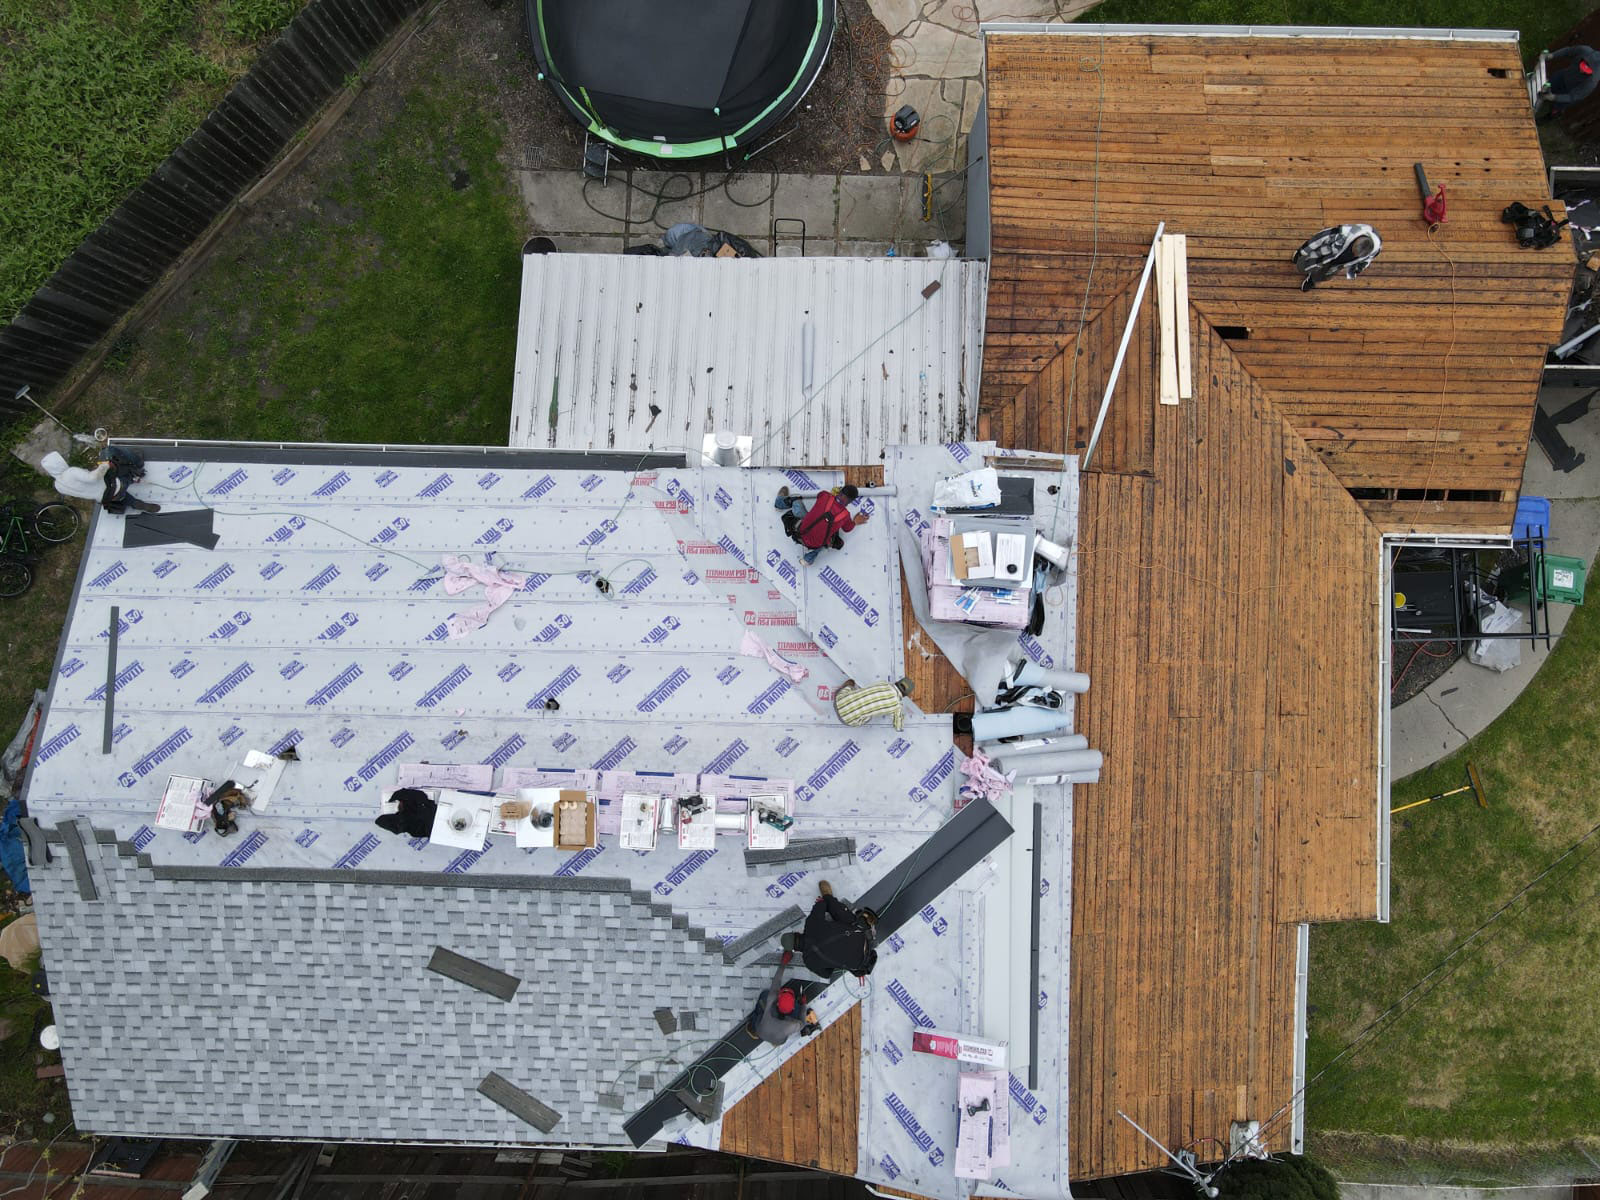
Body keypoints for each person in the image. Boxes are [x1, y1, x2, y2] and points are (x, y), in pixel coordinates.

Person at [782, 880, 878, 980]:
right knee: (837, 912)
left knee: (839, 953)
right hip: (862, 937)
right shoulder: (810, 924)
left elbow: (827, 974)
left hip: (859, 965)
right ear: (796, 933)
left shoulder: (809, 962)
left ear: (795, 949)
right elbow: (822, 904)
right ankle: (828, 895)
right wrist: (821, 902)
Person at [41, 449, 160, 515]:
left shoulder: (58, 486)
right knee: (109, 451)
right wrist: (104, 466)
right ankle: (137, 468)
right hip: (117, 485)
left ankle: (136, 503)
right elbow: (93, 478)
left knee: (119, 495)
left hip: (107, 499)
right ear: (58, 463)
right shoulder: (70, 472)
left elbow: (84, 485)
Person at [774, 485, 869, 565]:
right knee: (830, 540)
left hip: (799, 532)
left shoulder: (825, 495)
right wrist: (855, 522)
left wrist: (833, 495)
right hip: (815, 545)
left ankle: (779, 504)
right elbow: (847, 529)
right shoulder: (845, 515)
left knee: (795, 499)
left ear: (840, 491)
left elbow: (820, 495)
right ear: (851, 501)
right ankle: (807, 559)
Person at [746, 954, 820, 1046]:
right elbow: (802, 1024)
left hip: (761, 1030)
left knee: (765, 995)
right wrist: (803, 1004)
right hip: (778, 1039)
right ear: (792, 1006)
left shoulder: (770, 1003)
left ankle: (753, 1029)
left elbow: (776, 982)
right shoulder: (791, 1025)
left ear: (777, 1003)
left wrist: (783, 962)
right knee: (799, 1012)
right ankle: (774, 1042)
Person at [833, 677, 912, 731]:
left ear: (897, 682)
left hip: (838, 701)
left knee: (851, 685)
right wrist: (900, 716)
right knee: (868, 717)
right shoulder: (897, 706)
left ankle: (846, 690)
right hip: (848, 721)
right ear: (905, 695)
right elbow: (898, 727)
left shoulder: (884, 683)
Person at [1540, 45, 1600, 117]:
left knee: (1557, 107)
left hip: (1570, 91)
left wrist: (1554, 98)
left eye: (1585, 71)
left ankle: (1550, 116)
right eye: (1582, 67)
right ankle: (1540, 97)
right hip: (1564, 75)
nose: (1581, 71)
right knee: (1545, 85)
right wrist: (1551, 55)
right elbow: (1567, 51)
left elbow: (1573, 96)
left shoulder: (1592, 81)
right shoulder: (1584, 50)